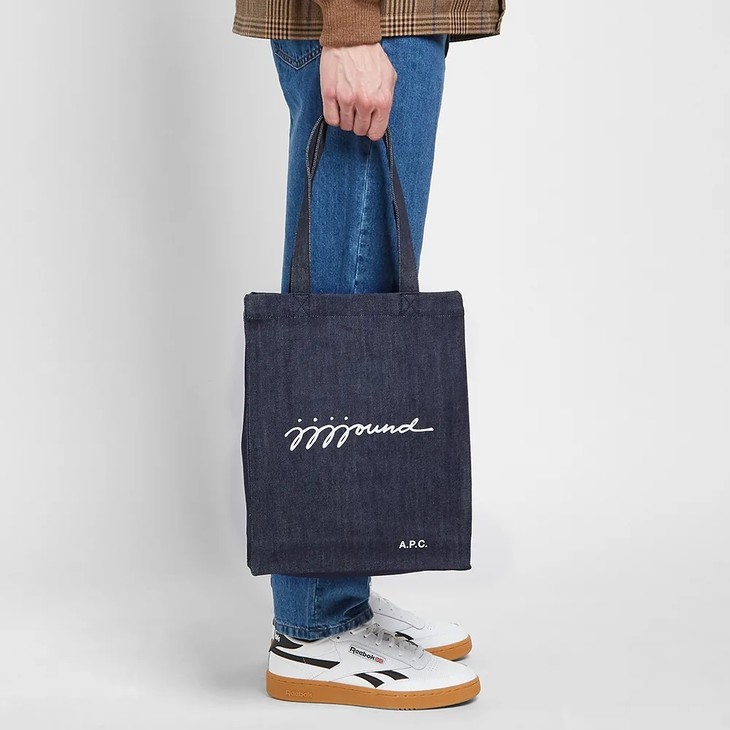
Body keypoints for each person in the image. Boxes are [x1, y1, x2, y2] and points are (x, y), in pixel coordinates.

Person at [232, 0, 507, 711]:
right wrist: (353, 24)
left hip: (395, 19)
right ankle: (318, 625)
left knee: (365, 288)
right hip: (373, 18)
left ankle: (340, 588)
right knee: (345, 303)